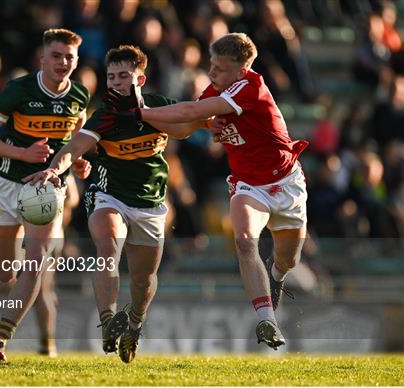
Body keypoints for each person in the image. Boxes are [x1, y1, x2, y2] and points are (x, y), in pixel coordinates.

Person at [103, 33, 308, 350]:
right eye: (211, 66)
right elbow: (185, 127)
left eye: (220, 69)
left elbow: (187, 113)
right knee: (244, 240)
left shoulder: (250, 87)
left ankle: (278, 276)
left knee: (288, 258)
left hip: (286, 182)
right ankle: (267, 319)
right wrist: (147, 117)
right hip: (248, 185)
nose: (212, 74)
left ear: (240, 71)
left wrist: (140, 111)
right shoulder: (218, 89)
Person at [23, 45, 204, 363]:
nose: (116, 83)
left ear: (141, 79)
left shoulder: (159, 107)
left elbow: (186, 127)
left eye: (124, 76)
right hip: (109, 195)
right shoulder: (105, 116)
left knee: (143, 278)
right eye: (111, 77)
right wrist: (55, 167)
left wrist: (195, 119)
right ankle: (108, 321)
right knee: (108, 245)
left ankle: (133, 324)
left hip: (150, 202)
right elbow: (74, 146)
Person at [0, 28, 91, 361]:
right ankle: (17, 295)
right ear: (42, 58)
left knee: (36, 262)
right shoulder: (18, 90)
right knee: (7, 271)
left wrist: (78, 163)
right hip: (9, 186)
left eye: (69, 57)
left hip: (49, 188)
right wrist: (24, 155)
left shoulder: (79, 96)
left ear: (77, 61)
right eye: (56, 55)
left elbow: (75, 141)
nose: (63, 62)